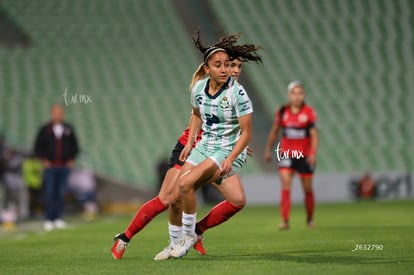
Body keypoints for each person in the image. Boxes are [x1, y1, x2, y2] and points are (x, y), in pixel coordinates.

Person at [111, 32, 261, 260]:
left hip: (218, 150)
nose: (234, 70)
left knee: (237, 200)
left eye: (237, 66)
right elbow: (199, 116)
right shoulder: (204, 88)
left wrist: (236, 146)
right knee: (169, 198)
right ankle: (125, 237)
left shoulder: (235, 92)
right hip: (194, 146)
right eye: (231, 65)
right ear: (211, 67)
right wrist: (192, 142)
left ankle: (195, 232)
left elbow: (237, 126)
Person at [264, 81, 318, 230]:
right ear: (289, 95)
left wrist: (313, 153)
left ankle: (310, 219)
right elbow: (274, 131)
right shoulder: (282, 112)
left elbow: (314, 135)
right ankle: (285, 221)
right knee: (286, 184)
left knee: (307, 188)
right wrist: (268, 149)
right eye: (294, 93)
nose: (297, 96)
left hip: (305, 156)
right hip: (287, 154)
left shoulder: (308, 112)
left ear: (303, 95)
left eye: (300, 93)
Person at [34, 104, 79, 231]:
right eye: (56, 112)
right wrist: (44, 160)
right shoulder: (44, 129)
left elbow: (75, 147)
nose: (58, 115)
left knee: (61, 193)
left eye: (60, 112)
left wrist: (71, 159)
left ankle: (58, 218)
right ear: (51, 114)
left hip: (64, 167)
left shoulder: (68, 129)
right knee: (49, 193)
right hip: (50, 167)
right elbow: (37, 147)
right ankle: (48, 219)